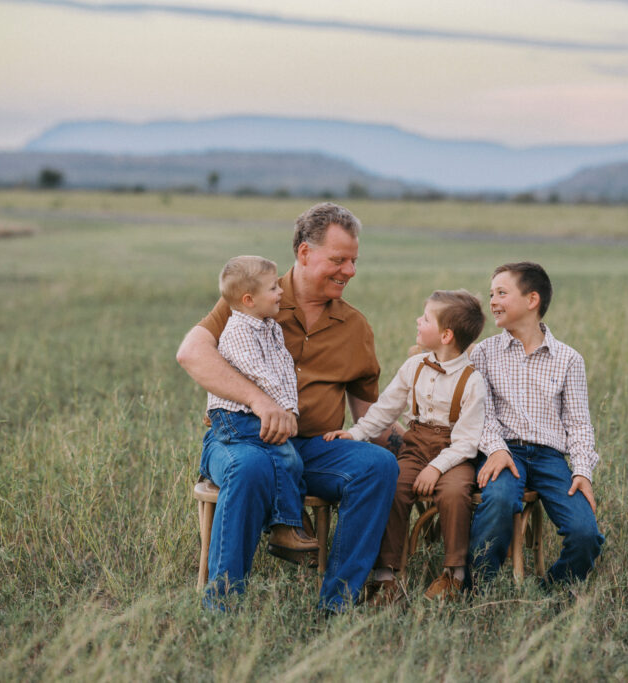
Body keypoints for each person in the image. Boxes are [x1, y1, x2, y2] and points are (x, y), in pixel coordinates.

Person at [176, 203, 400, 614]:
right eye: (338, 260)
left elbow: (372, 414)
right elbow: (191, 353)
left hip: (314, 448)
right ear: (304, 253)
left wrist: (432, 446)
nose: (349, 270)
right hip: (240, 439)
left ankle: (337, 603)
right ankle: (221, 608)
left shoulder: (355, 327)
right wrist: (259, 401)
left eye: (353, 261)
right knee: (252, 467)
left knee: (378, 465)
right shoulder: (251, 296)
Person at [324, 290, 486, 604]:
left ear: (445, 335)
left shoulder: (473, 380)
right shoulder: (414, 366)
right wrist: (356, 434)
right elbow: (385, 409)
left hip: (454, 455)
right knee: (393, 487)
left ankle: (454, 574)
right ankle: (388, 577)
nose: (418, 320)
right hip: (415, 447)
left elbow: (468, 442)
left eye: (425, 318)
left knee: (454, 494)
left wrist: (436, 467)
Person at [468, 262, 605, 588]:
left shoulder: (569, 359)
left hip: (549, 458)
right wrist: (497, 450)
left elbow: (579, 423)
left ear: (532, 300)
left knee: (586, 532)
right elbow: (479, 413)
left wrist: (582, 471)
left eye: (502, 293)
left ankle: (552, 590)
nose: (493, 301)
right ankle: (478, 588)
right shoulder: (484, 353)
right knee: (500, 500)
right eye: (491, 294)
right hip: (503, 450)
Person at [203, 255, 318, 559]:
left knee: (289, 456)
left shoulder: (271, 328)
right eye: (273, 288)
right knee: (279, 453)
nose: (281, 291)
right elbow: (258, 373)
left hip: (261, 413)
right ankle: (286, 526)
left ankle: (287, 524)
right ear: (249, 300)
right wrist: (280, 408)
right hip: (235, 416)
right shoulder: (238, 330)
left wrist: (291, 410)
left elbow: (284, 370)